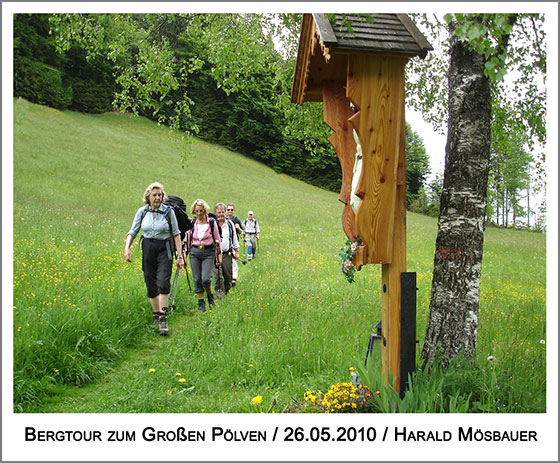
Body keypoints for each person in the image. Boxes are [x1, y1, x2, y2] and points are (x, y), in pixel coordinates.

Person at [124, 182, 184, 335]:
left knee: (163, 282)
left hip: (165, 248)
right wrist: (127, 248)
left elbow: (176, 234)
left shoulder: (168, 212)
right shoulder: (142, 212)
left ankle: (163, 317)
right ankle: (156, 314)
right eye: (154, 195)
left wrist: (180, 256)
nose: (157, 198)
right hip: (148, 248)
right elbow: (133, 231)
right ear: (148, 197)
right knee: (150, 282)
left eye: (160, 195)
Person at [185, 199, 222, 312]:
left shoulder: (211, 222)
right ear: (194, 212)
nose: (199, 213)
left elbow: (217, 239)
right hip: (194, 253)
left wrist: (219, 256)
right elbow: (187, 240)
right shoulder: (192, 224)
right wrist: (183, 255)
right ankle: (201, 302)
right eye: (197, 211)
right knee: (197, 279)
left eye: (201, 211)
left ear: (205, 211)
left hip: (208, 253)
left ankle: (210, 297)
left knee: (205, 279)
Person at [213, 203, 239, 298]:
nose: (221, 214)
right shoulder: (213, 224)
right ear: (215, 213)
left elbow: (234, 237)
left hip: (227, 253)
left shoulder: (229, 224)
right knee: (218, 276)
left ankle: (227, 292)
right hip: (215, 255)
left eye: (222, 212)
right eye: (218, 212)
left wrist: (236, 251)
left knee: (228, 275)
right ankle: (220, 296)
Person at [226, 203, 244, 285]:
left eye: (231, 210)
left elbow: (242, 232)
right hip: (225, 243)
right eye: (228, 209)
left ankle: (234, 279)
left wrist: (238, 228)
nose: (230, 211)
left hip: (234, 242)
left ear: (234, 210)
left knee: (234, 261)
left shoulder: (236, 219)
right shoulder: (223, 219)